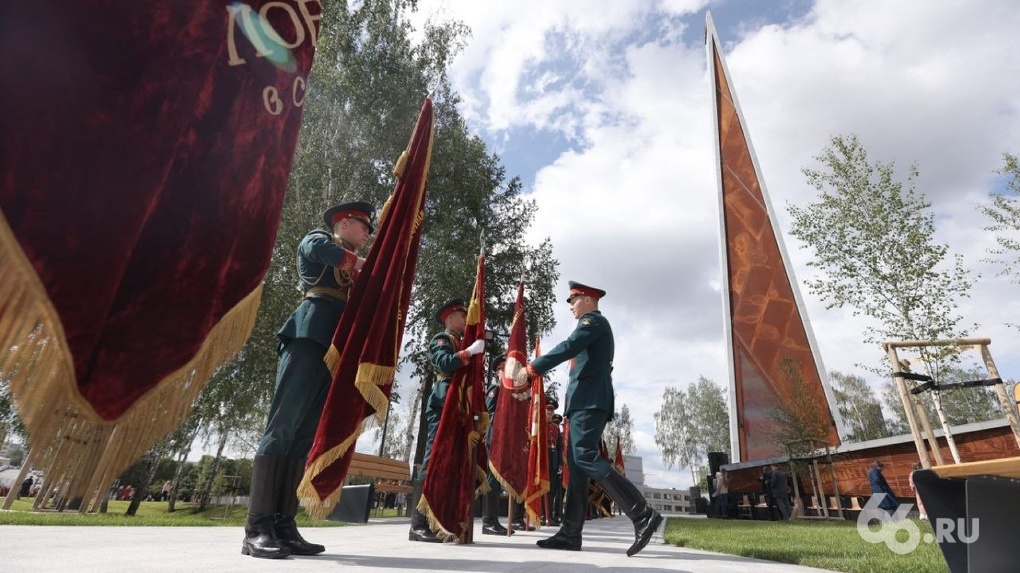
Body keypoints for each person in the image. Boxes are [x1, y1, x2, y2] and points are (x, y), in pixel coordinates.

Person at [242, 201, 375, 559]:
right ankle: (257, 528)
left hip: (333, 346)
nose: (367, 233)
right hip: (307, 335)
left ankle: (284, 525)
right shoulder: (321, 239)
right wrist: (360, 264)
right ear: (344, 223)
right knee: (282, 427)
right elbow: (316, 250)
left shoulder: (349, 256)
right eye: (363, 226)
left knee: (303, 436)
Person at [519, 281, 662, 556]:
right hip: (582, 403)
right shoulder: (589, 324)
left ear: (587, 299)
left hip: (590, 401)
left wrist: (533, 368)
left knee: (584, 455)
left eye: (574, 300)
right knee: (578, 467)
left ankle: (642, 514)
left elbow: (568, 346)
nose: (571, 306)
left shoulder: (593, 322)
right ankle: (570, 534)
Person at [409, 298, 486, 542]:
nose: (466, 320)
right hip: (443, 402)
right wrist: (469, 352)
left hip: (457, 406)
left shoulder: (458, 341)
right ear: (450, 318)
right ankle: (418, 525)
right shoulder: (442, 340)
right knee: (433, 461)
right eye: (462, 316)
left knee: (450, 464)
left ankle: (439, 520)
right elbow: (444, 363)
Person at [481, 353, 511, 536]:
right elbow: (488, 413)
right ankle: (488, 522)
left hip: (502, 438)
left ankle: (494, 520)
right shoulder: (496, 389)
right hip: (493, 437)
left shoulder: (507, 392)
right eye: (505, 369)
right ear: (499, 371)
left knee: (497, 480)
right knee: (492, 479)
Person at [547, 400, 564, 525]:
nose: (549, 412)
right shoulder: (540, 424)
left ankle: (549, 515)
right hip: (543, 459)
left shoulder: (554, 428)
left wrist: (559, 464)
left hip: (552, 460)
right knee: (542, 488)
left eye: (552, 410)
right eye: (548, 409)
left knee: (551, 490)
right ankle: (542, 515)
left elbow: (558, 448)